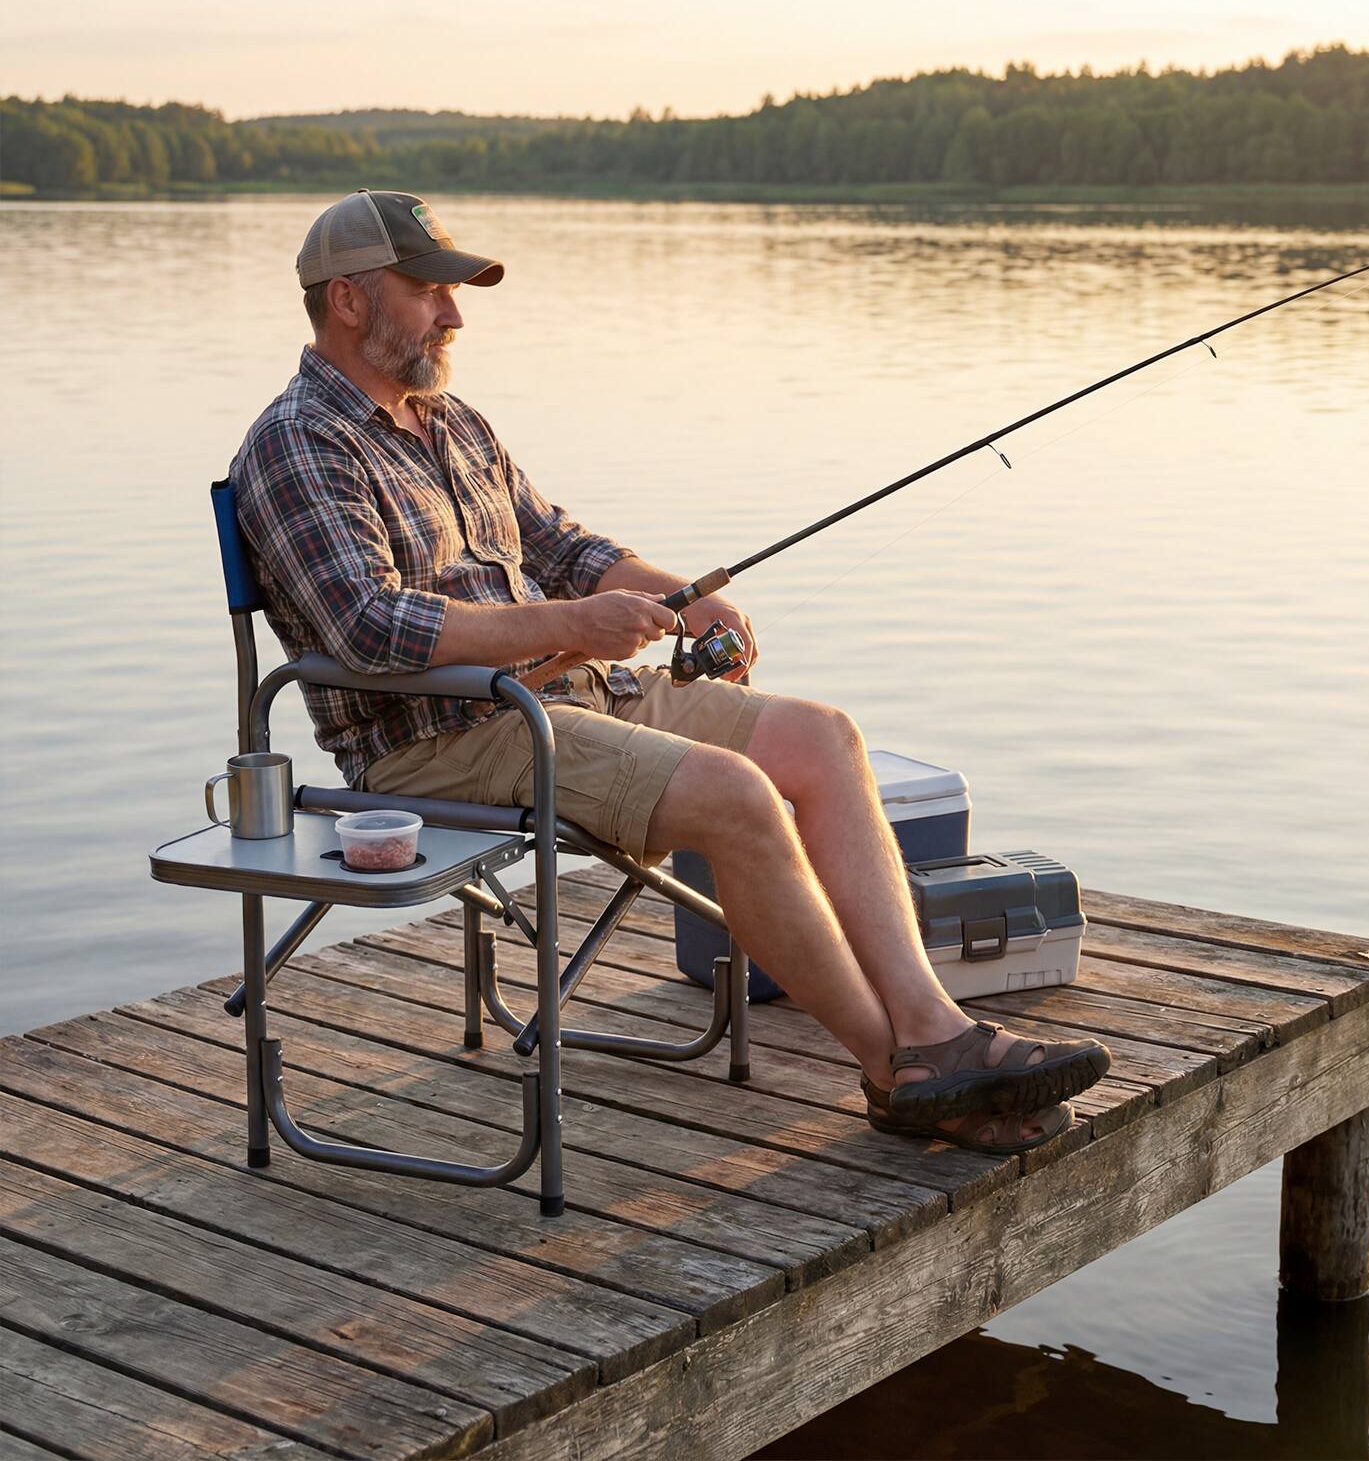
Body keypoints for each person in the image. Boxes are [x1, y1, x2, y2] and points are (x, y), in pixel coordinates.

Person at [232, 190, 1110, 1154]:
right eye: (428, 290)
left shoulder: (452, 423)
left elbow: (557, 542)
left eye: (454, 292)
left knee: (823, 738)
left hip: (557, 697)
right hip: (440, 743)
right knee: (735, 794)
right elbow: (368, 625)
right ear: (348, 301)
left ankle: (933, 1028)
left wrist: (682, 595)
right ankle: (896, 1070)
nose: (454, 313)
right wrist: (577, 622)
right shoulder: (298, 442)